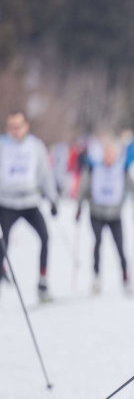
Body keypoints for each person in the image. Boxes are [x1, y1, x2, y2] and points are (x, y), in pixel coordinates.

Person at [0, 111, 58, 303]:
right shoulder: (2, 144)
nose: (14, 131)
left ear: (26, 126)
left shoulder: (35, 146)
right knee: (3, 240)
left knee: (45, 236)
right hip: (6, 202)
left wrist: (52, 199)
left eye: (18, 126)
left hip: (29, 202)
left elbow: (45, 174)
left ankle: (42, 282)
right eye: (11, 127)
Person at [76, 135, 134, 294]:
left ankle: (126, 279)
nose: (109, 157)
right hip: (96, 213)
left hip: (114, 215)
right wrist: (78, 207)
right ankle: (96, 278)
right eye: (107, 154)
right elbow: (83, 188)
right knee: (97, 243)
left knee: (119, 247)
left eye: (112, 154)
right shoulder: (94, 169)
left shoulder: (122, 170)